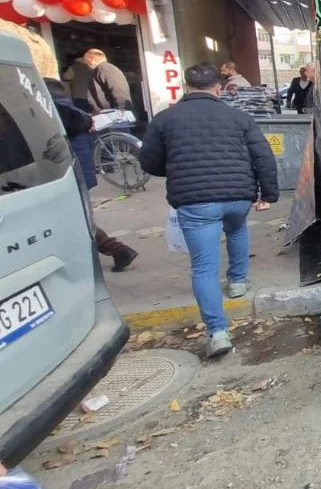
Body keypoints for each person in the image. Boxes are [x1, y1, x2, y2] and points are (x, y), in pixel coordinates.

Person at [139, 63, 278, 359]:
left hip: (194, 200)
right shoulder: (239, 117)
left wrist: (177, 169)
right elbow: (263, 156)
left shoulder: (165, 119)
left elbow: (149, 161)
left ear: (186, 86)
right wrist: (268, 194)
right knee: (237, 229)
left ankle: (217, 333)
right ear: (218, 88)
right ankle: (237, 282)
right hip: (238, 195)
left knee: (203, 266)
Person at [45, 79, 139, 272]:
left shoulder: (57, 113)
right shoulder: (76, 113)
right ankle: (117, 250)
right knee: (74, 216)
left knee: (72, 218)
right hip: (78, 172)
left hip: (66, 174)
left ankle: (117, 250)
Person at [83, 48, 133, 117]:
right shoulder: (102, 69)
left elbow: (118, 90)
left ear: (91, 59)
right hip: (109, 114)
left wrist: (121, 113)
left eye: (85, 60)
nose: (85, 63)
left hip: (114, 116)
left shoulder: (104, 69)